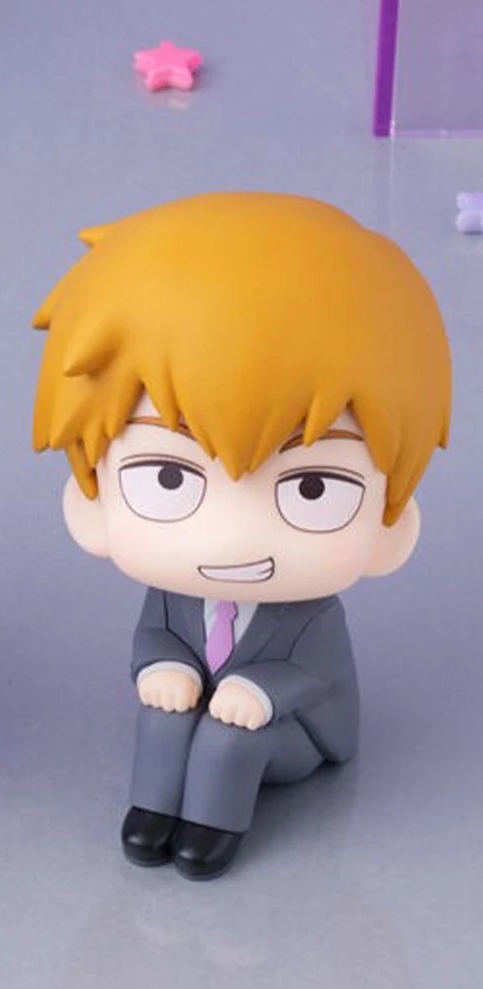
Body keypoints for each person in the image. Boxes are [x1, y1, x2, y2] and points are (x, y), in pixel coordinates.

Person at [31, 193, 451, 879]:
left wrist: (261, 693)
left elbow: (317, 675)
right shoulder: (171, 593)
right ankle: (151, 813)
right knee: (161, 715)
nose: (231, 538)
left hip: (298, 731)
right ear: (91, 502)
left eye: (312, 488)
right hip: (206, 703)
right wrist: (161, 667)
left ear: (390, 525)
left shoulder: (311, 613)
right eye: (169, 478)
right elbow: (156, 637)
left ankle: (211, 830)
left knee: (231, 742)